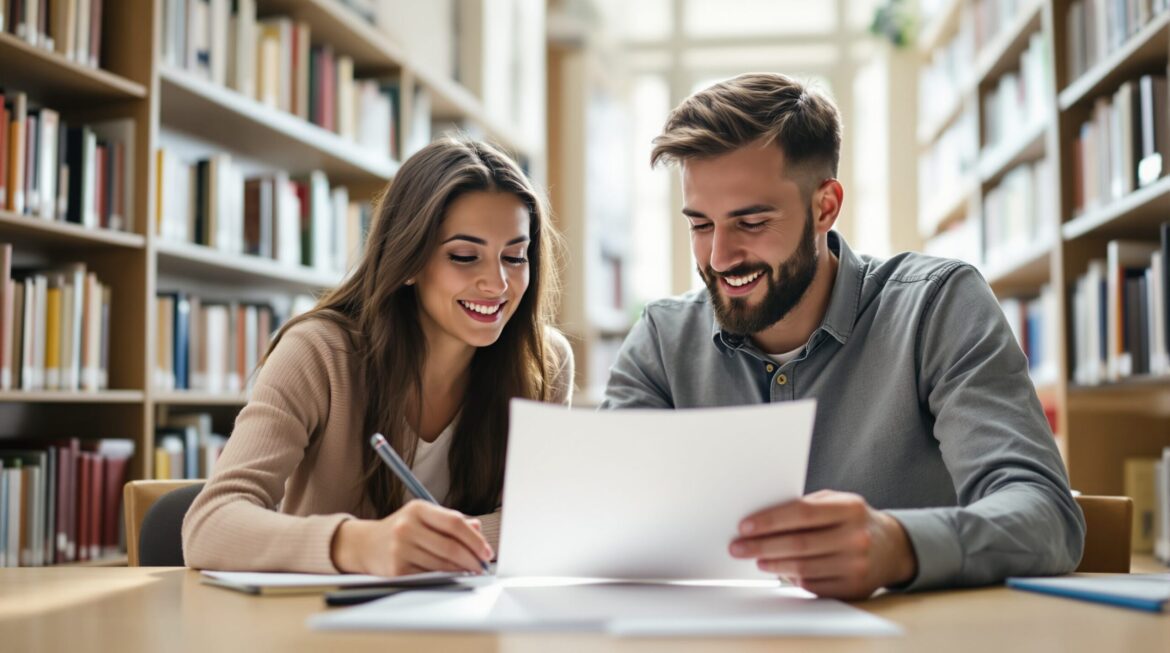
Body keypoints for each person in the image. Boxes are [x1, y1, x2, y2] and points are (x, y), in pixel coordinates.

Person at [602, 73, 1084, 599]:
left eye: (752, 221)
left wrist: (898, 546)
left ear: (825, 207)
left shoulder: (937, 307)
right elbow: (603, 522)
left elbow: (1046, 513)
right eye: (700, 225)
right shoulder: (660, 343)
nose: (719, 258)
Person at [183, 138, 574, 576]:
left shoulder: (544, 363)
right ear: (407, 260)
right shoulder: (318, 353)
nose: (498, 283)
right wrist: (359, 543)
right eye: (465, 256)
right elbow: (209, 524)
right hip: (320, 629)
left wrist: (436, 544)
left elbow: (546, 520)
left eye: (515, 257)